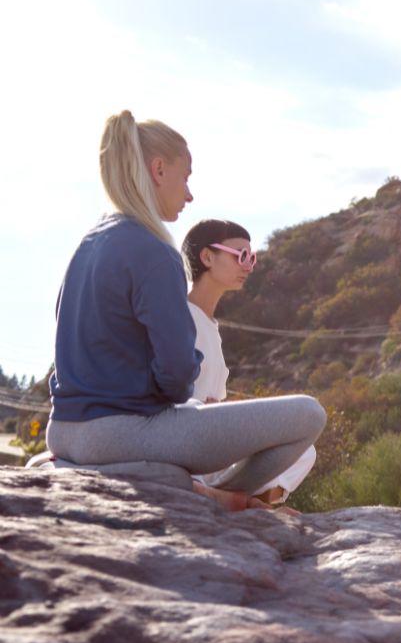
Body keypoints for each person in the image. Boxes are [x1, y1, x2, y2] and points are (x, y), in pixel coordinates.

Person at [46, 110, 326, 512]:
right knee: (307, 415)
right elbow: (177, 375)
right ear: (159, 169)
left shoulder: (85, 246)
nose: (189, 194)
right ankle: (211, 500)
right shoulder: (154, 252)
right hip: (116, 435)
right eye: (186, 176)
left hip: (64, 433)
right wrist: (180, 398)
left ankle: (178, 483)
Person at [181, 219, 317, 508]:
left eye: (252, 257)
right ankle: (234, 500)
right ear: (207, 257)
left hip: (211, 447)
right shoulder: (180, 316)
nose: (249, 265)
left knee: (305, 450)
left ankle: (240, 499)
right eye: (241, 255)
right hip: (183, 439)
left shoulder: (210, 327)